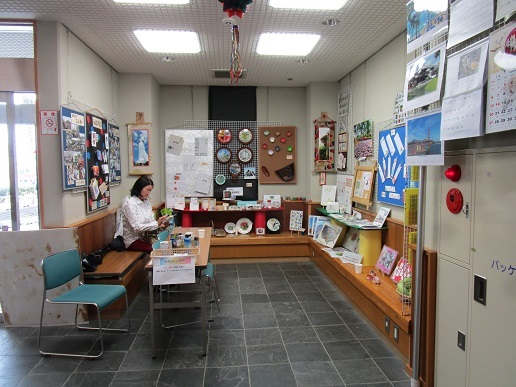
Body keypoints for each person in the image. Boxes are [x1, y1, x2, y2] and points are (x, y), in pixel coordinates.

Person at [121, 176, 168, 253]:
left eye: (150, 190)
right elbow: (136, 227)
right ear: (139, 188)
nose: (148, 193)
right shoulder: (130, 203)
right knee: (154, 250)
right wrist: (156, 224)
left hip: (146, 237)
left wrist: (161, 223)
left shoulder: (146, 203)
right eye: (147, 190)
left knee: (164, 245)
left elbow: (151, 222)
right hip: (133, 240)